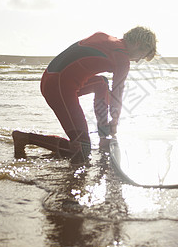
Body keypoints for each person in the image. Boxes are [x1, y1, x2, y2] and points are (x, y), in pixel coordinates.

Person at [12, 26, 157, 164]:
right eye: (141, 56)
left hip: (50, 79)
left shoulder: (105, 37)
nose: (137, 60)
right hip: (58, 87)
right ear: (138, 44)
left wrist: (106, 129)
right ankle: (24, 138)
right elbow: (117, 94)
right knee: (82, 149)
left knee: (101, 83)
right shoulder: (122, 58)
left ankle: (102, 136)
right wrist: (114, 122)